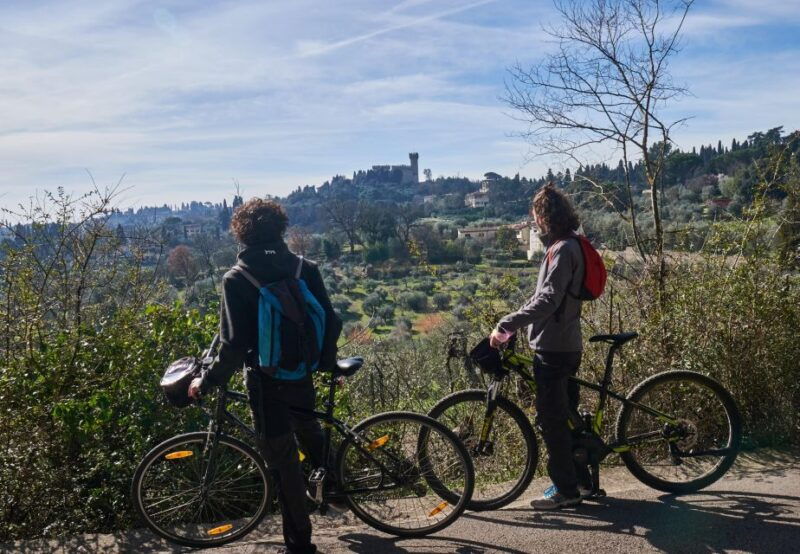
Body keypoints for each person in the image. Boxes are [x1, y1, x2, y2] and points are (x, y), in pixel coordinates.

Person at [188, 198, 342, 554]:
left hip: (265, 380)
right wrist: (327, 364)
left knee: (284, 463)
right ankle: (332, 486)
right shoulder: (305, 268)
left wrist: (207, 381)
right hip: (301, 373)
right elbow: (331, 321)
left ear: (241, 233)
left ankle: (300, 545)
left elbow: (234, 346)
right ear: (281, 228)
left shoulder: (237, 278)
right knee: (309, 429)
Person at [489, 183, 591, 510]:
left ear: (544, 215)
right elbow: (541, 298)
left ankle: (567, 491)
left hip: (554, 349)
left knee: (552, 422)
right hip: (563, 343)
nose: (533, 219)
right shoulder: (566, 245)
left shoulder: (562, 249)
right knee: (569, 417)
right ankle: (582, 482)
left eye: (535, 213)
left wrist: (507, 324)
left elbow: (548, 301)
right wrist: (519, 321)